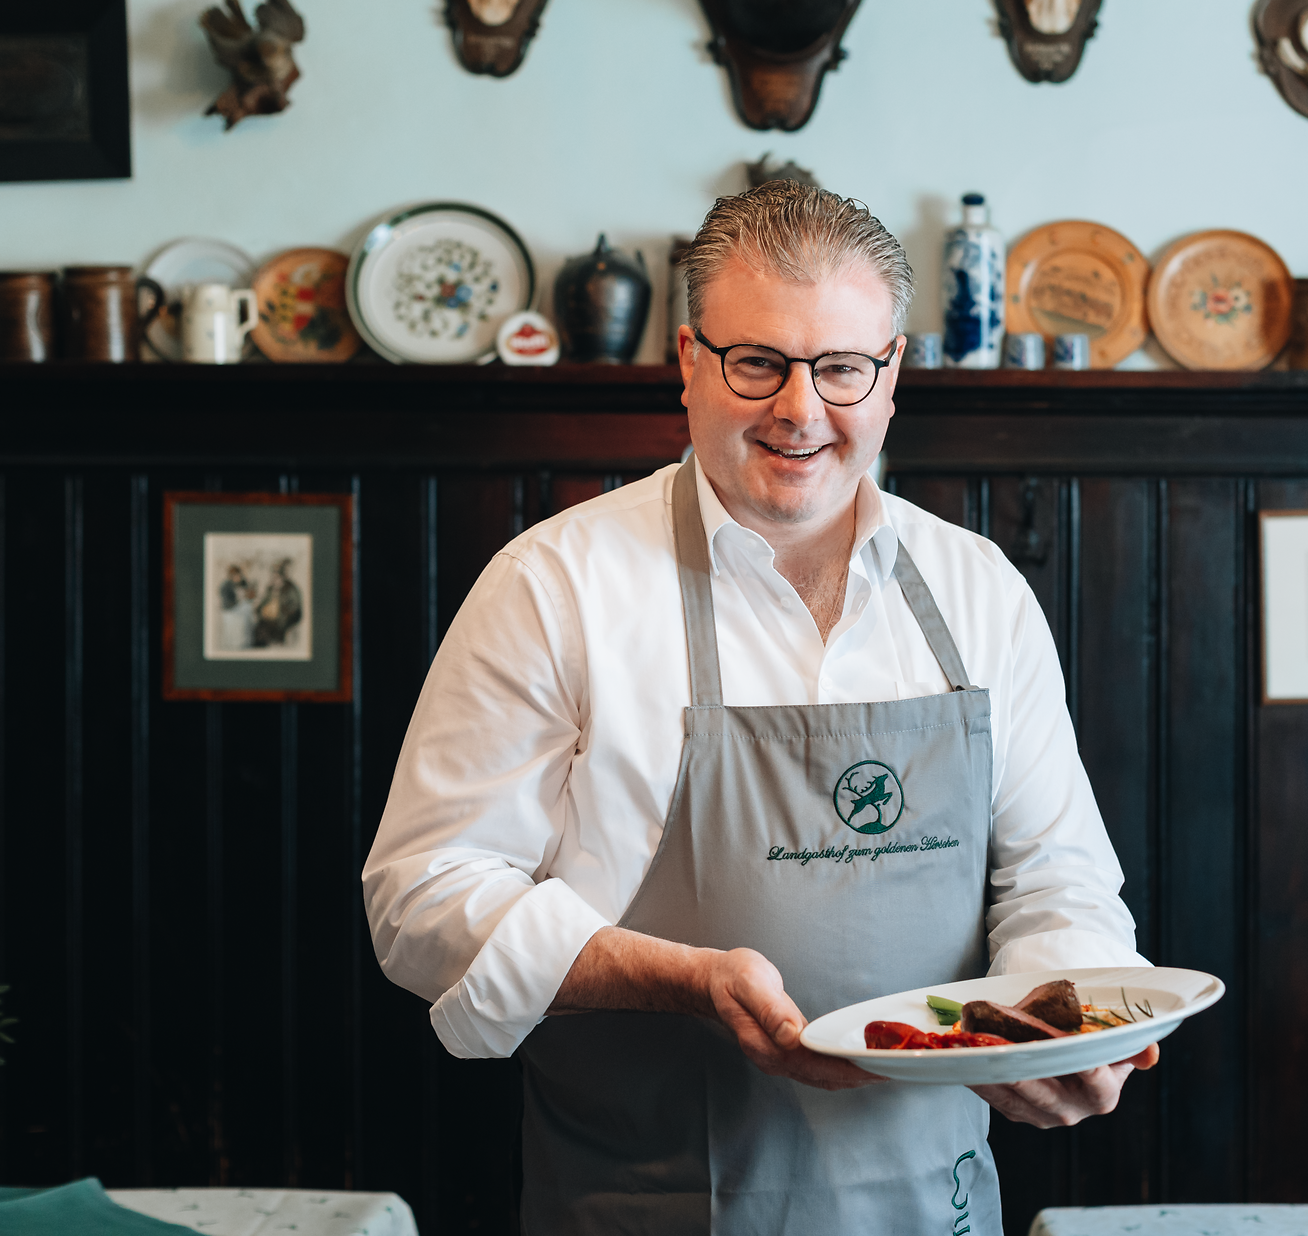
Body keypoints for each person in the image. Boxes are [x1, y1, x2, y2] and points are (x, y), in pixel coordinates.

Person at [363, 181, 1155, 1236]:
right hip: (645, 1205)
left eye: (841, 367)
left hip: (936, 1204)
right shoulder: (555, 585)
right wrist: (679, 978)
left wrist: (1058, 1019)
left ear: (891, 374)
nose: (800, 408)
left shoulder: (980, 592)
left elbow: (1057, 876)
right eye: (757, 363)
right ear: (689, 362)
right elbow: (420, 900)